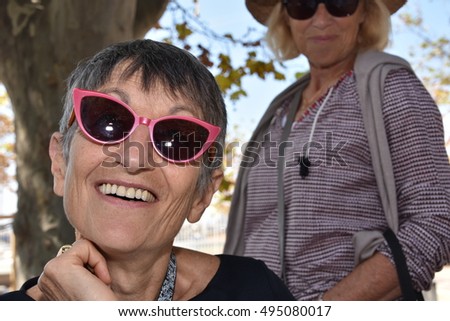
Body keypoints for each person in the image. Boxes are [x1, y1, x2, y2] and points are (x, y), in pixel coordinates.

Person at [0, 39, 295, 301]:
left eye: (177, 138)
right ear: (60, 164)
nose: (133, 159)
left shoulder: (256, 295)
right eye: (108, 121)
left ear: (202, 195)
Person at [224, 0, 450, 300]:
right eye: (302, 5)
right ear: (286, 20)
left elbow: (436, 221)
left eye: (339, 3)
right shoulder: (278, 112)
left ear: (365, 14)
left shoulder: (393, 89)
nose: (320, 19)